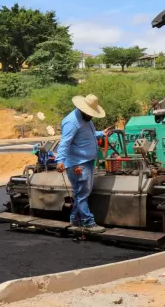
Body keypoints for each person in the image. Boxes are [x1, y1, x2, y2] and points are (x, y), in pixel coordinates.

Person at [56, 94, 111, 233]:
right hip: (77, 163)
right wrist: (60, 160)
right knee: (82, 193)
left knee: (81, 193)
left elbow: (86, 134)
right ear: (82, 109)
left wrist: (100, 133)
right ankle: (88, 222)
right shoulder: (71, 122)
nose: (91, 116)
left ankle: (75, 220)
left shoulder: (86, 119)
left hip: (86, 161)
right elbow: (65, 142)